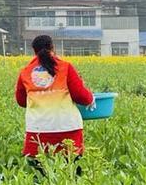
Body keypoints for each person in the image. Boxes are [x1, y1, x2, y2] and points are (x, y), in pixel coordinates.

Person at [14, 34, 95, 170]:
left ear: (34, 51)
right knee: (72, 172)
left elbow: (21, 101)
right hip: (67, 128)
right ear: (53, 47)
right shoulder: (65, 67)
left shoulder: (25, 72)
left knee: (40, 174)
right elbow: (81, 96)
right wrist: (91, 99)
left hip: (37, 131)